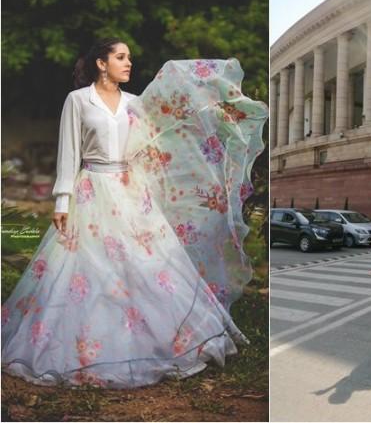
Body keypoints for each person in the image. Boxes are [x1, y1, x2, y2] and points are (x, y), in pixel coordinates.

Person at [1, 38, 267, 388]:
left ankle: (161, 341)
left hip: (131, 191)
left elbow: (164, 138)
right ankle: (88, 345)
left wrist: (214, 116)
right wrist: (62, 200)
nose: (129, 64)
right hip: (92, 188)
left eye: (129, 58)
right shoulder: (78, 101)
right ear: (101, 62)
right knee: (85, 268)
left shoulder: (135, 104)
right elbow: (69, 153)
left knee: (151, 264)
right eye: (121, 57)